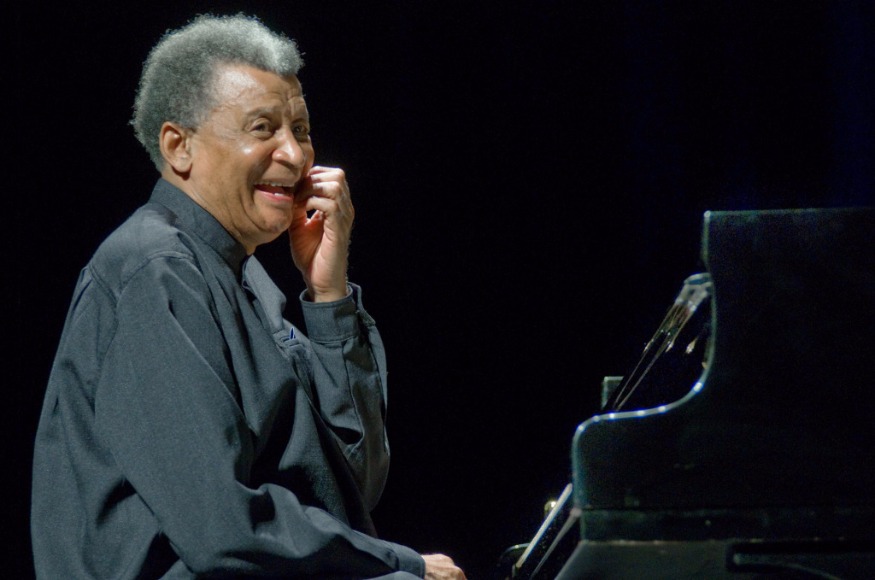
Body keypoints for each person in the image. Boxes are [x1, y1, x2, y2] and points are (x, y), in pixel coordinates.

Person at [31, 13, 465, 580]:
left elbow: (350, 488)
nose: (296, 155)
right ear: (179, 146)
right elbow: (222, 528)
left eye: (301, 130)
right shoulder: (156, 270)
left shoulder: (247, 280)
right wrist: (402, 564)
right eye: (263, 129)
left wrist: (328, 295)